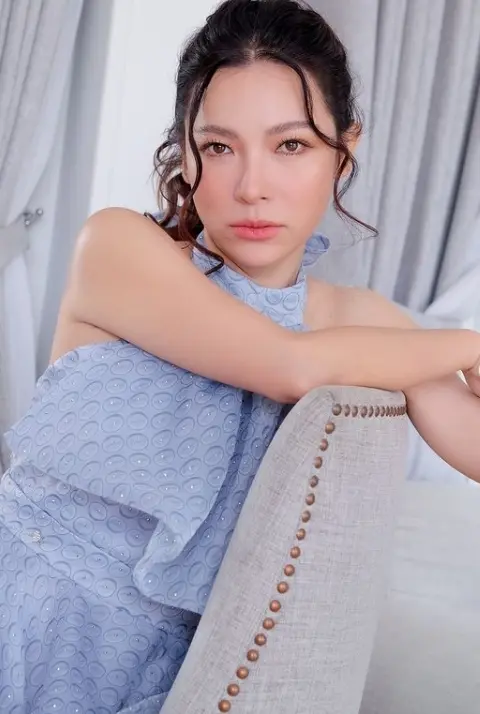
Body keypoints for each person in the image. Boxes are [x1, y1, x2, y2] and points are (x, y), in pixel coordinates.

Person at [1, 0, 480, 711]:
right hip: (25, 609)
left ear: (345, 150)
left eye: (291, 145)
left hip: (168, 671)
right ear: (186, 151)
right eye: (220, 147)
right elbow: (289, 365)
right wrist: (468, 343)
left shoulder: (360, 324)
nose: (252, 185)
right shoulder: (119, 248)